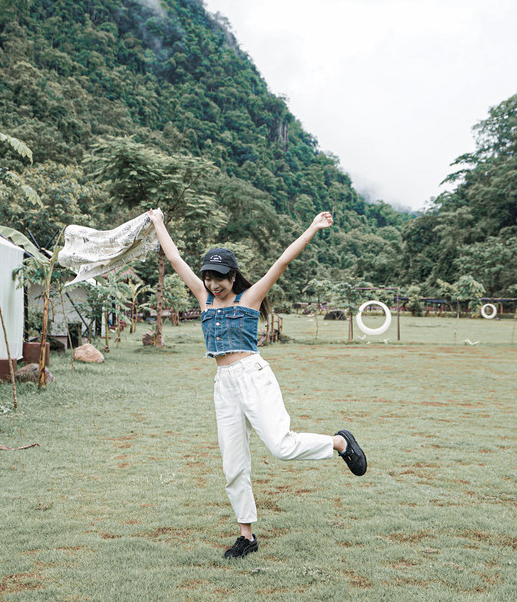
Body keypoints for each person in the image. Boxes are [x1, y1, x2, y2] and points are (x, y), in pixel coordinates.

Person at [147, 208, 367, 560]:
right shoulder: (203, 298)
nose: (213, 284)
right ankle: (246, 535)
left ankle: (339, 443)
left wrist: (313, 227)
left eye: (220, 278)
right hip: (224, 384)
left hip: (253, 376)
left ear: (233, 277)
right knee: (233, 464)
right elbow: (175, 259)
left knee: (281, 446)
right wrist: (158, 222)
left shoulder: (249, 298)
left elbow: (282, 261)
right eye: (208, 278)